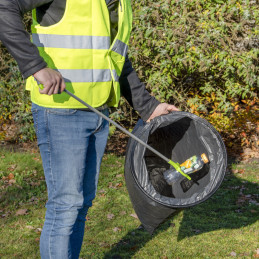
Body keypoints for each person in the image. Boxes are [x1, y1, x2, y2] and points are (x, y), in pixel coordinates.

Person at [0, 0, 179, 258]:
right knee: (66, 206)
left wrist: (149, 107)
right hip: (60, 110)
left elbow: (115, 59)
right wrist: (35, 66)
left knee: (81, 204)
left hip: (98, 113)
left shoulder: (121, 4)